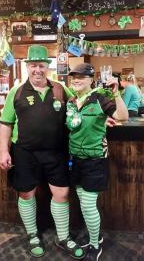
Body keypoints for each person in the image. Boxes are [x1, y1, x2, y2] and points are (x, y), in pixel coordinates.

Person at [0, 45, 84, 259]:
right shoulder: (16, 92)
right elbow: (6, 123)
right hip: (25, 152)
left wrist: (101, 115)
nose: (38, 70)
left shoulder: (60, 89)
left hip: (56, 152)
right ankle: (32, 235)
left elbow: (79, 105)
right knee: (26, 193)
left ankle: (63, 237)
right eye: (34, 65)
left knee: (62, 194)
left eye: (42, 65)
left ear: (48, 67)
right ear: (27, 67)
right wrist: (3, 151)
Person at [66, 63, 128, 261]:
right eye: (73, 76)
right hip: (74, 159)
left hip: (95, 159)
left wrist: (116, 93)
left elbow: (123, 117)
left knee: (88, 204)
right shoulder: (70, 101)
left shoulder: (100, 99)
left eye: (81, 77)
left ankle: (94, 244)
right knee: (83, 203)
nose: (76, 80)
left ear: (91, 80)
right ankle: (96, 237)